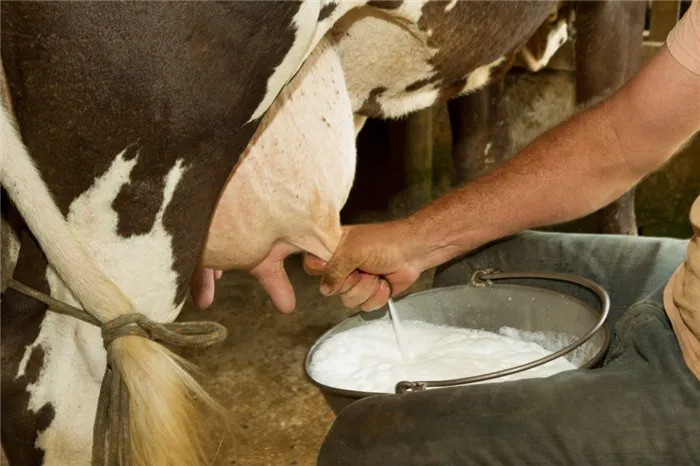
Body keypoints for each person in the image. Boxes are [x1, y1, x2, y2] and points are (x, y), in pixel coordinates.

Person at [300, 2, 700, 464]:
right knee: (472, 271)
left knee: (366, 443)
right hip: (683, 280)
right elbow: (623, 135)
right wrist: (413, 241)